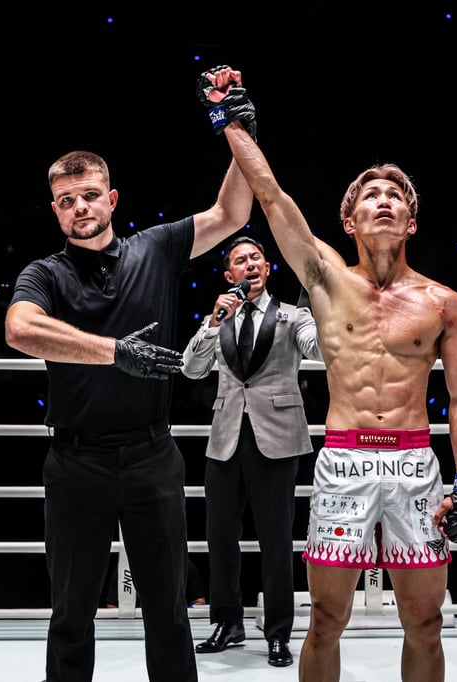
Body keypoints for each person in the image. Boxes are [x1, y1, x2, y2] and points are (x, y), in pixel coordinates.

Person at [218, 77, 457, 681]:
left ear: (412, 221)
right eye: (371, 195)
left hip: (416, 465)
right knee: (326, 619)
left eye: (396, 195)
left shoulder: (445, 303)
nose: (384, 200)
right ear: (349, 219)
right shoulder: (324, 278)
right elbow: (269, 194)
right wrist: (232, 120)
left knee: (425, 623)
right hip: (343, 461)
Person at [3, 65, 257, 682]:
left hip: (150, 457)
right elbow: (19, 330)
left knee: (168, 611)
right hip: (75, 461)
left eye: (88, 195)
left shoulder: (156, 246)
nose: (78, 207)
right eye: (66, 200)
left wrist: (239, 129)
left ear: (111, 199)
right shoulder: (45, 273)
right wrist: (116, 351)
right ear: (56, 210)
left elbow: (232, 210)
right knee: (69, 614)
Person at [181, 235, 321, 667]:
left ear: (267, 267)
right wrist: (212, 321)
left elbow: (318, 349)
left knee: (276, 538)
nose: (250, 264)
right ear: (229, 275)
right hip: (225, 437)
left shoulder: (291, 315)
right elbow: (190, 369)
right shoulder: (221, 318)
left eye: (256, 258)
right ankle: (227, 621)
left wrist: (328, 313)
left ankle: (278, 631)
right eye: (240, 260)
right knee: (220, 536)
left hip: (276, 436)